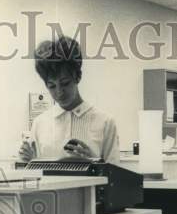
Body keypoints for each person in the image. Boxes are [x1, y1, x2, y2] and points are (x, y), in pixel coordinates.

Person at [17, 36, 119, 165]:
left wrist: (95, 163)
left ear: (78, 77)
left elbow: (116, 177)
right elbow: (34, 180)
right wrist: (29, 162)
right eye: (52, 86)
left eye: (65, 83)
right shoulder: (39, 124)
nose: (59, 92)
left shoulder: (105, 122)